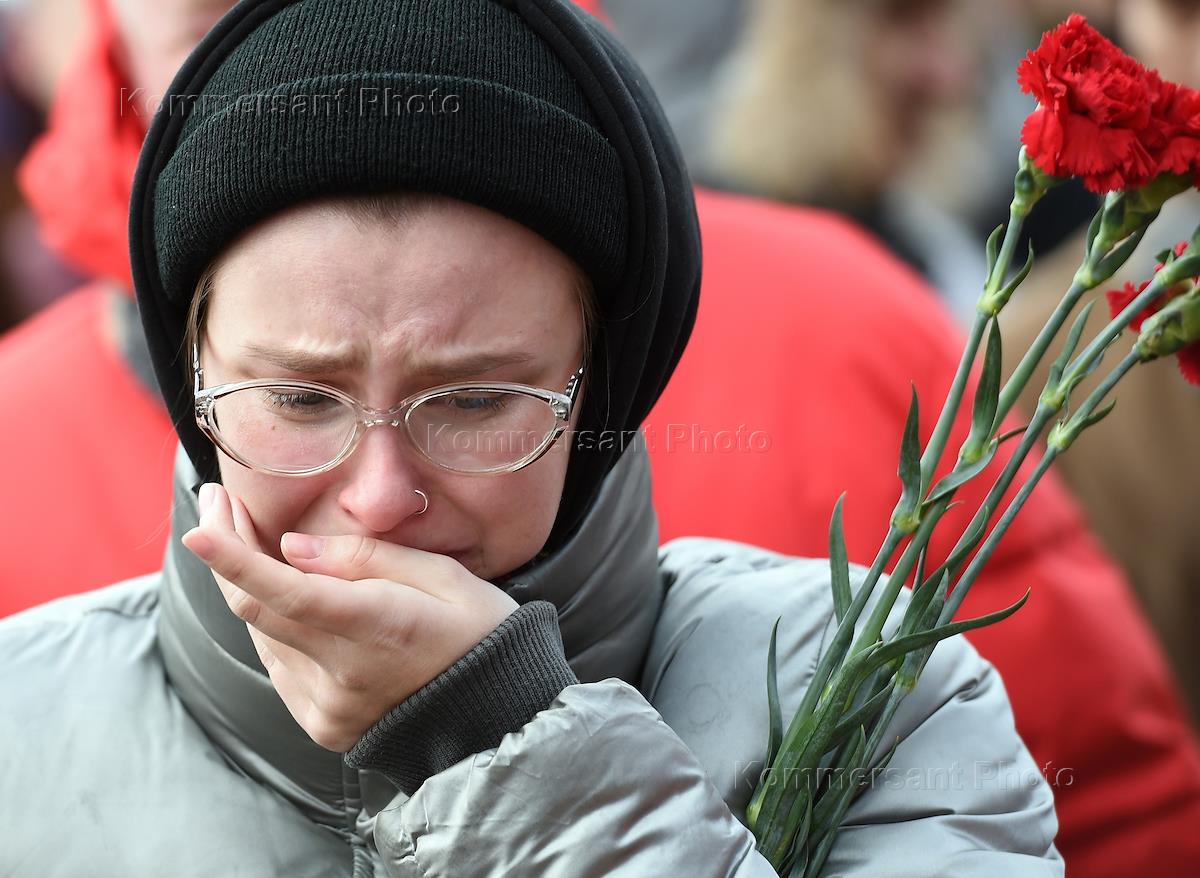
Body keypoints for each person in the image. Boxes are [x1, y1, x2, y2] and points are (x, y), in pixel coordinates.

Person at [0, 0, 1194, 874]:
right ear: (189, 375)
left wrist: (511, 745)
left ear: (605, 381)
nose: (376, 496)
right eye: (297, 399)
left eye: (474, 402)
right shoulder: (22, 731)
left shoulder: (883, 698)